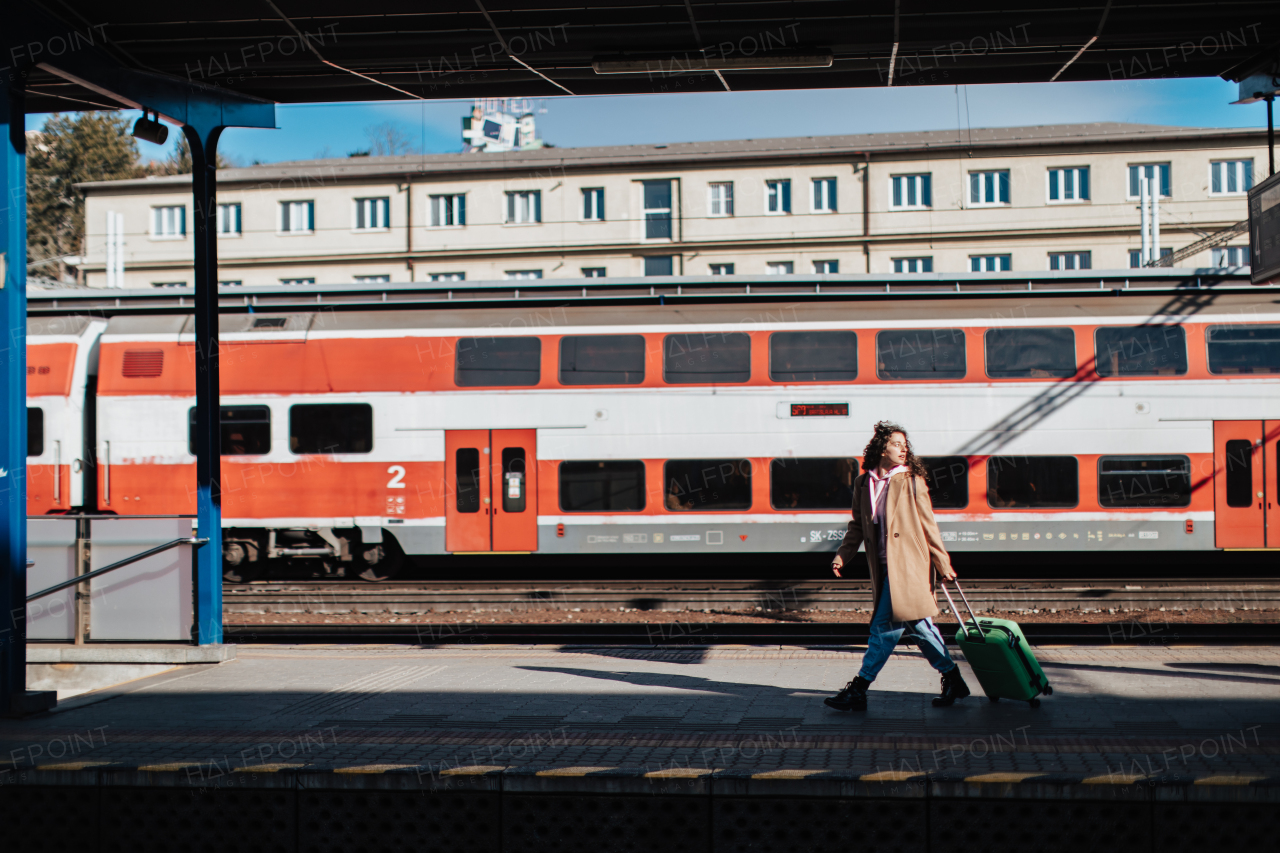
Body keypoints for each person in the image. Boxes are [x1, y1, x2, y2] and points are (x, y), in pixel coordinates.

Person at [824, 421, 971, 711]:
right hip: (883, 567)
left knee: (884, 626)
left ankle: (859, 689)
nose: (903, 449)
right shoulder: (863, 483)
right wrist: (843, 554)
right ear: (881, 448)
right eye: (896, 444)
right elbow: (856, 525)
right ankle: (953, 678)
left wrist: (942, 562)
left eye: (905, 445)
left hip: (910, 566)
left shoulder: (912, 480)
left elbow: (929, 524)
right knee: (918, 627)